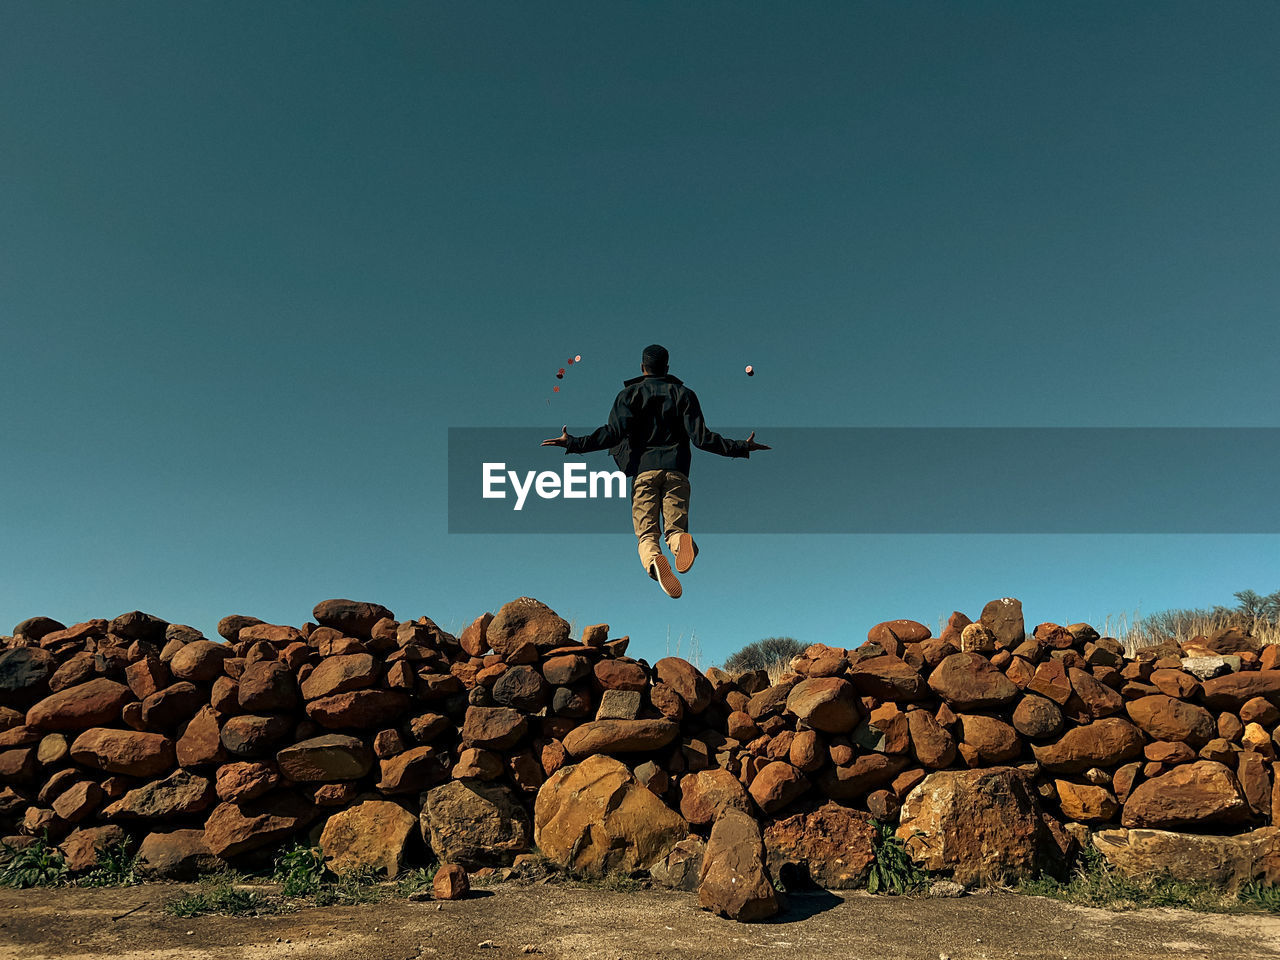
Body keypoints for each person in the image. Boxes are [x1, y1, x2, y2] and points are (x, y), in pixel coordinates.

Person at [541, 344, 769, 598]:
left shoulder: (629, 395)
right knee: (675, 529)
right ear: (667, 368)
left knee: (647, 534)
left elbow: (611, 434)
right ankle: (679, 540)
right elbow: (702, 438)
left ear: (642, 367)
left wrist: (573, 442)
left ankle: (654, 560)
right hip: (677, 471)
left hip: (645, 472)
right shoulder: (685, 395)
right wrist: (741, 447)